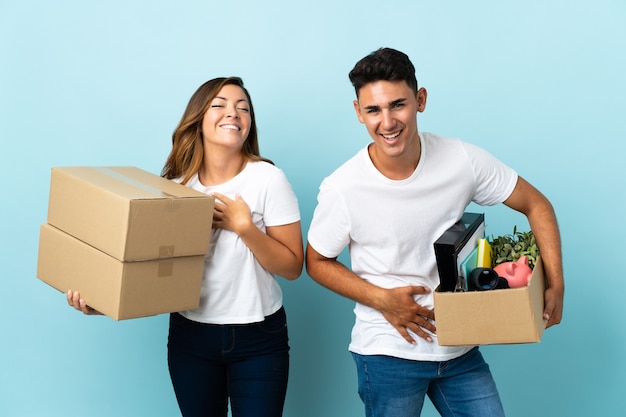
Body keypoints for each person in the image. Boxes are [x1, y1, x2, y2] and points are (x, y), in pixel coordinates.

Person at [305, 48, 564, 417]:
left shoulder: (461, 159)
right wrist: (381, 298)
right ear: (358, 112)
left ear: (420, 100)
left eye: (398, 105)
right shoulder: (343, 187)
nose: (387, 121)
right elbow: (316, 261)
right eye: (373, 110)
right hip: (387, 351)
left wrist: (556, 283)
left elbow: (537, 204)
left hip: (459, 348)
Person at [68, 76, 304, 417]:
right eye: (220, 105)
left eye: (243, 108)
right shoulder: (174, 188)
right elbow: (149, 270)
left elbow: (293, 267)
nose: (233, 114)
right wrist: (101, 303)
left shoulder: (268, 179)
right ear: (199, 118)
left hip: (259, 337)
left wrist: (244, 227)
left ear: (250, 123)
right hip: (191, 338)